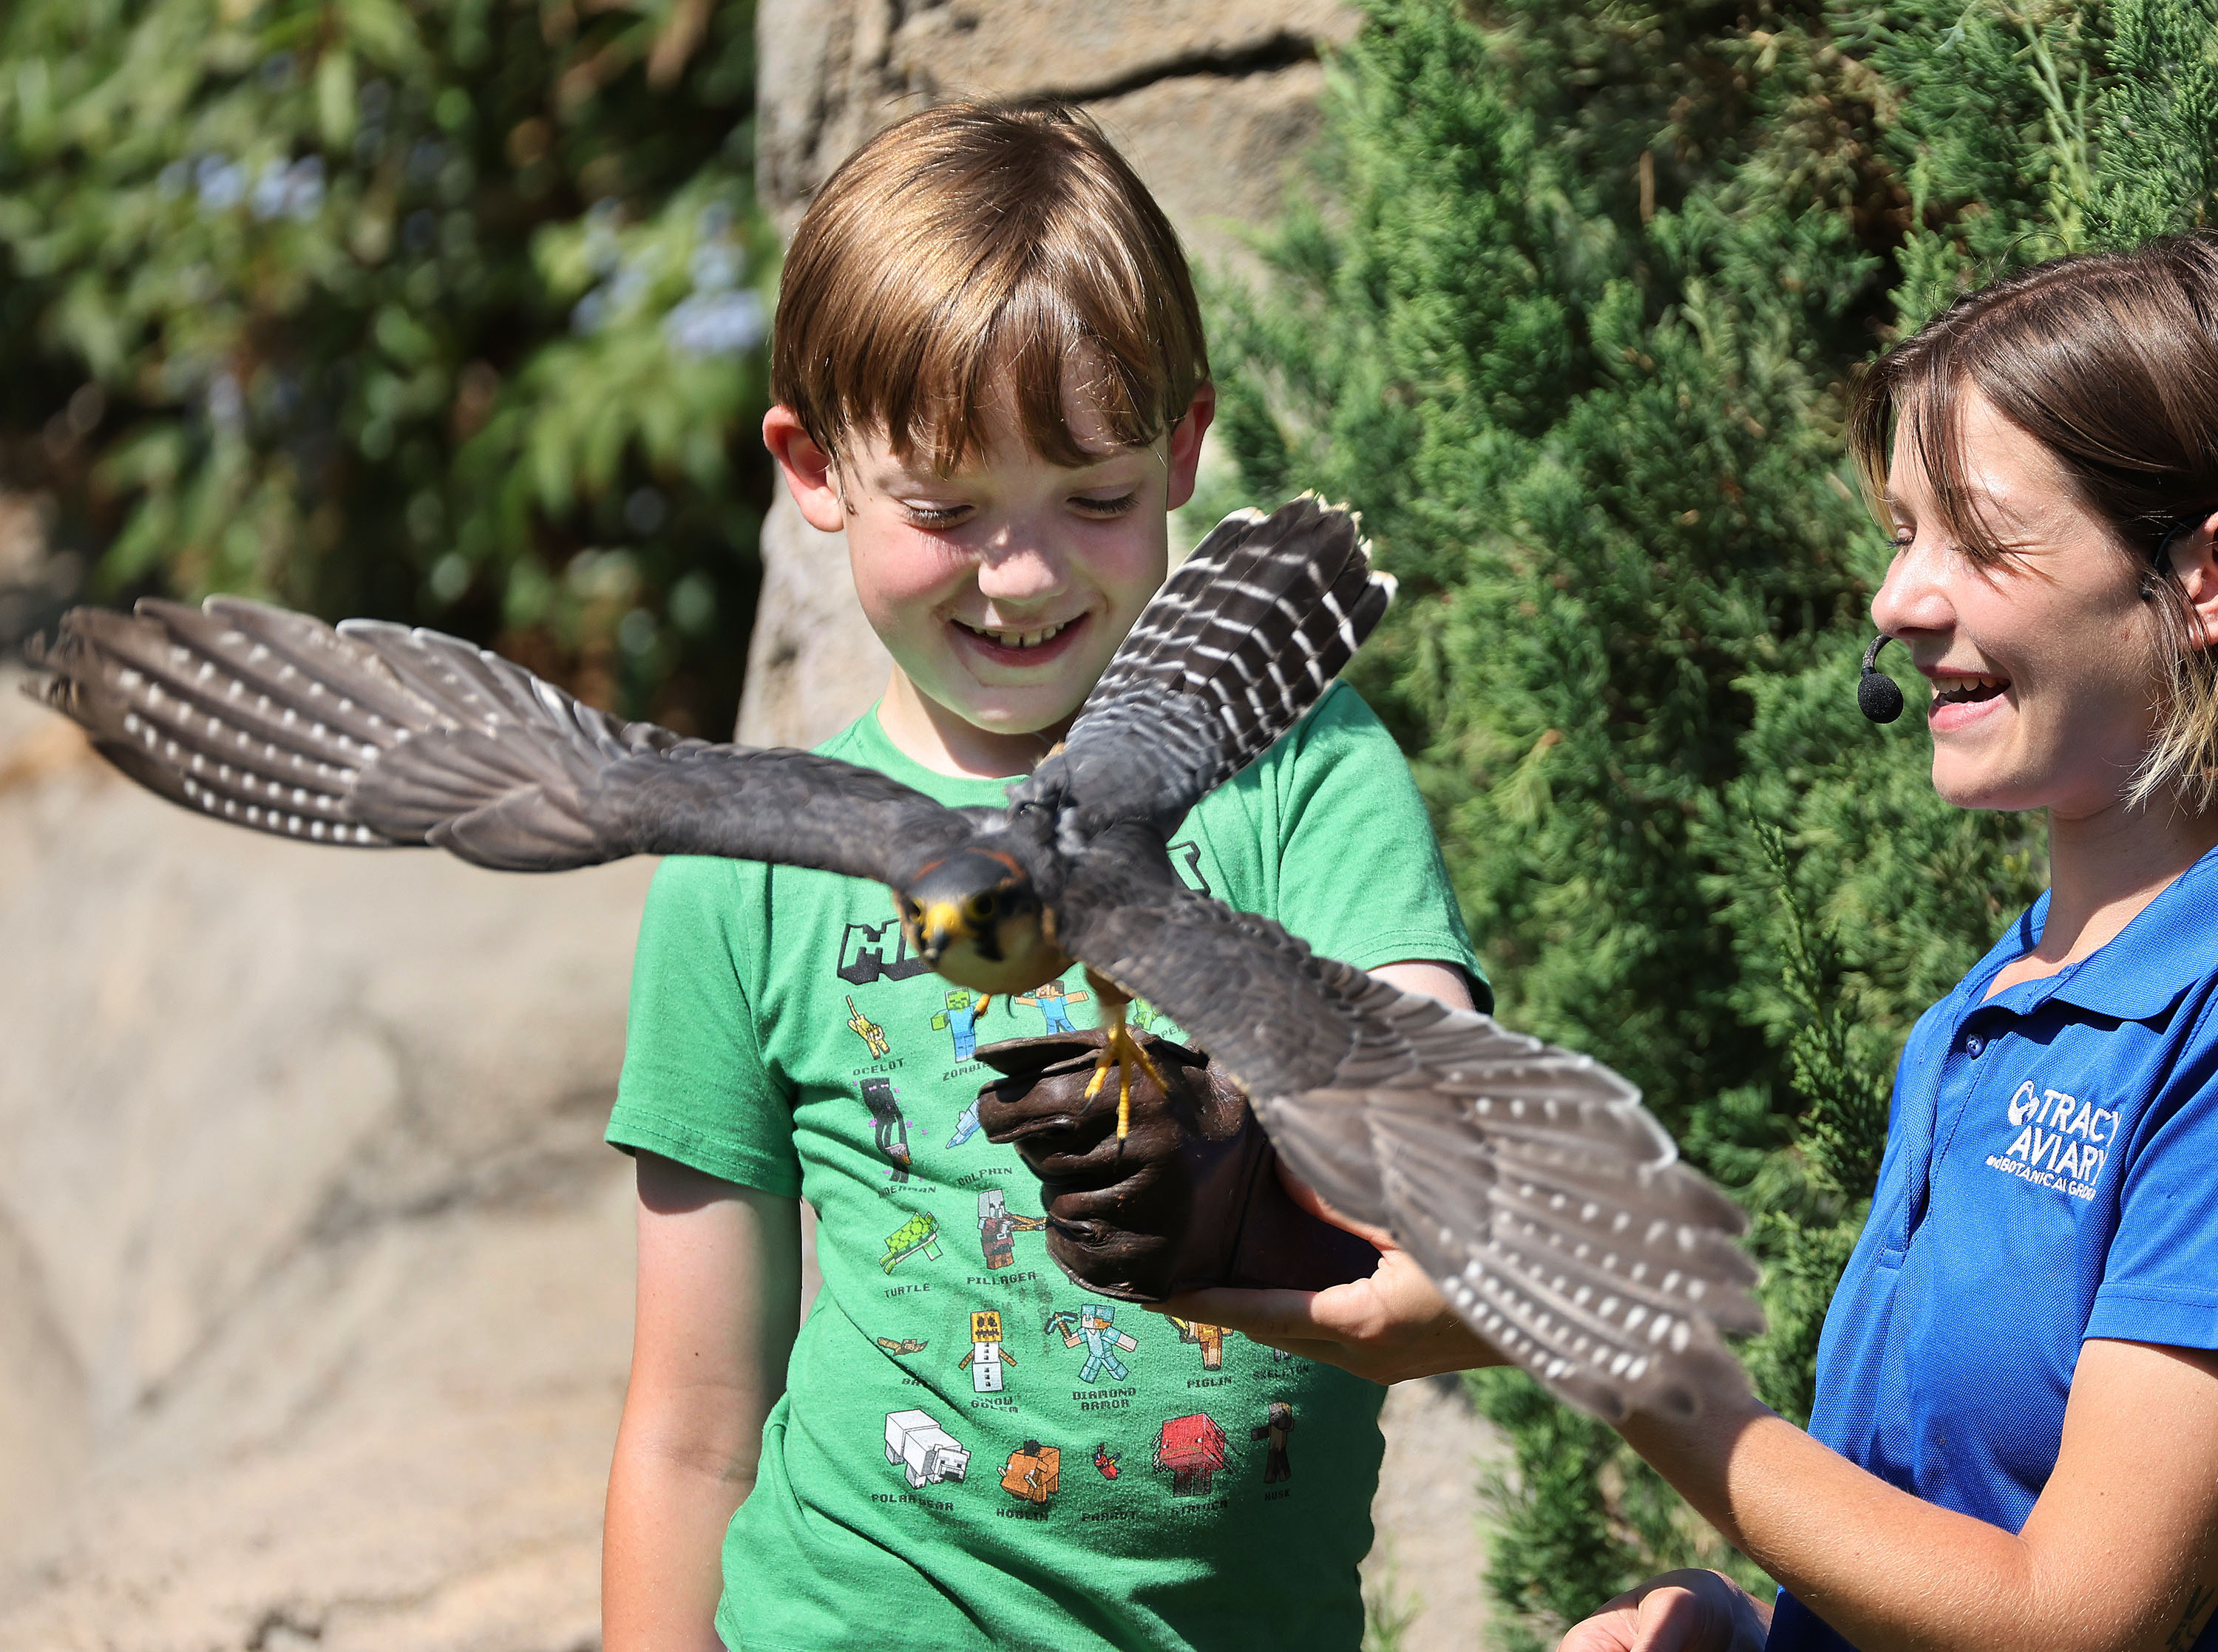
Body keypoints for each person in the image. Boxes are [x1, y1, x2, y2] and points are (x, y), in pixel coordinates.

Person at [597, 101, 1486, 1652]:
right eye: (947, 509)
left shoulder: (1307, 776)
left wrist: (1264, 1155)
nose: (1022, 574)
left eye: (1092, 496)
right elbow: (688, 1428)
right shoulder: (745, 871)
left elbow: (1446, 1170)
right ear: (816, 470)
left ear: (1184, 448)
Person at [1535, 237, 2218, 1651]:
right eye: (1905, 532)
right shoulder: (1991, 1008)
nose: (1897, 601)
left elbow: (2075, 1620)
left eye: (1978, 538)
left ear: (2201, 581)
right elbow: (1959, 1528)